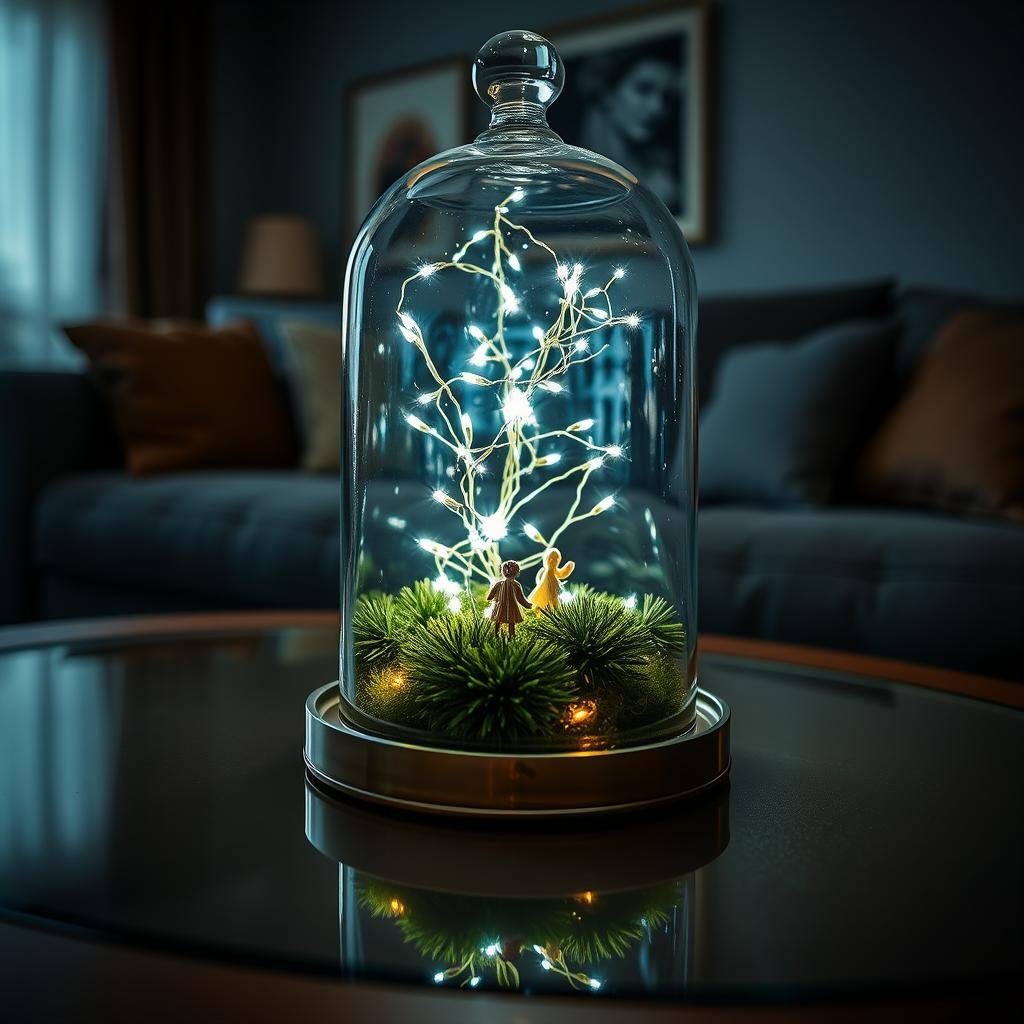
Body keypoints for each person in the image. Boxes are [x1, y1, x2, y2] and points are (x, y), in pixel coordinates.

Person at [574, 39, 683, 213]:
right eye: (643, 89)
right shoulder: (569, 175)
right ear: (607, 92)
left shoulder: (664, 181)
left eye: (667, 97)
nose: (657, 107)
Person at [486, 560, 532, 637]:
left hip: (501, 606)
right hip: (510, 607)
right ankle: (509, 636)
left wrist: (490, 597)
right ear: (517, 572)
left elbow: (492, 594)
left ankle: (498, 635)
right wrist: (527, 605)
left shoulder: (501, 583)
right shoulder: (515, 584)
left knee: (499, 620)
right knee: (509, 621)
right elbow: (520, 598)